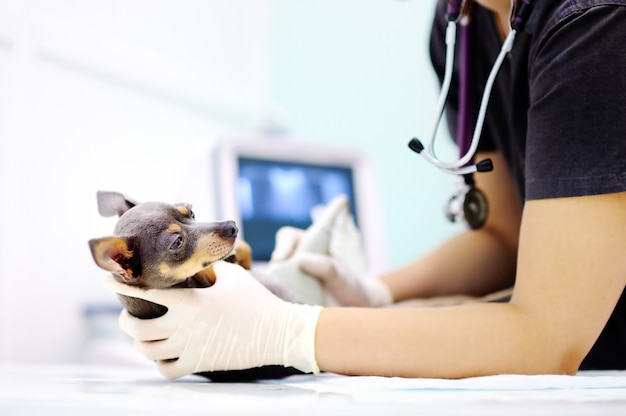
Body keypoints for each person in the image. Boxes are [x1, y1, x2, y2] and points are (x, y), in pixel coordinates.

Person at [103, 0, 626, 380]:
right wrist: (374, 292)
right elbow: (505, 236)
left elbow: (546, 337)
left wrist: (289, 332)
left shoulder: (598, 26)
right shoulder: (462, 23)